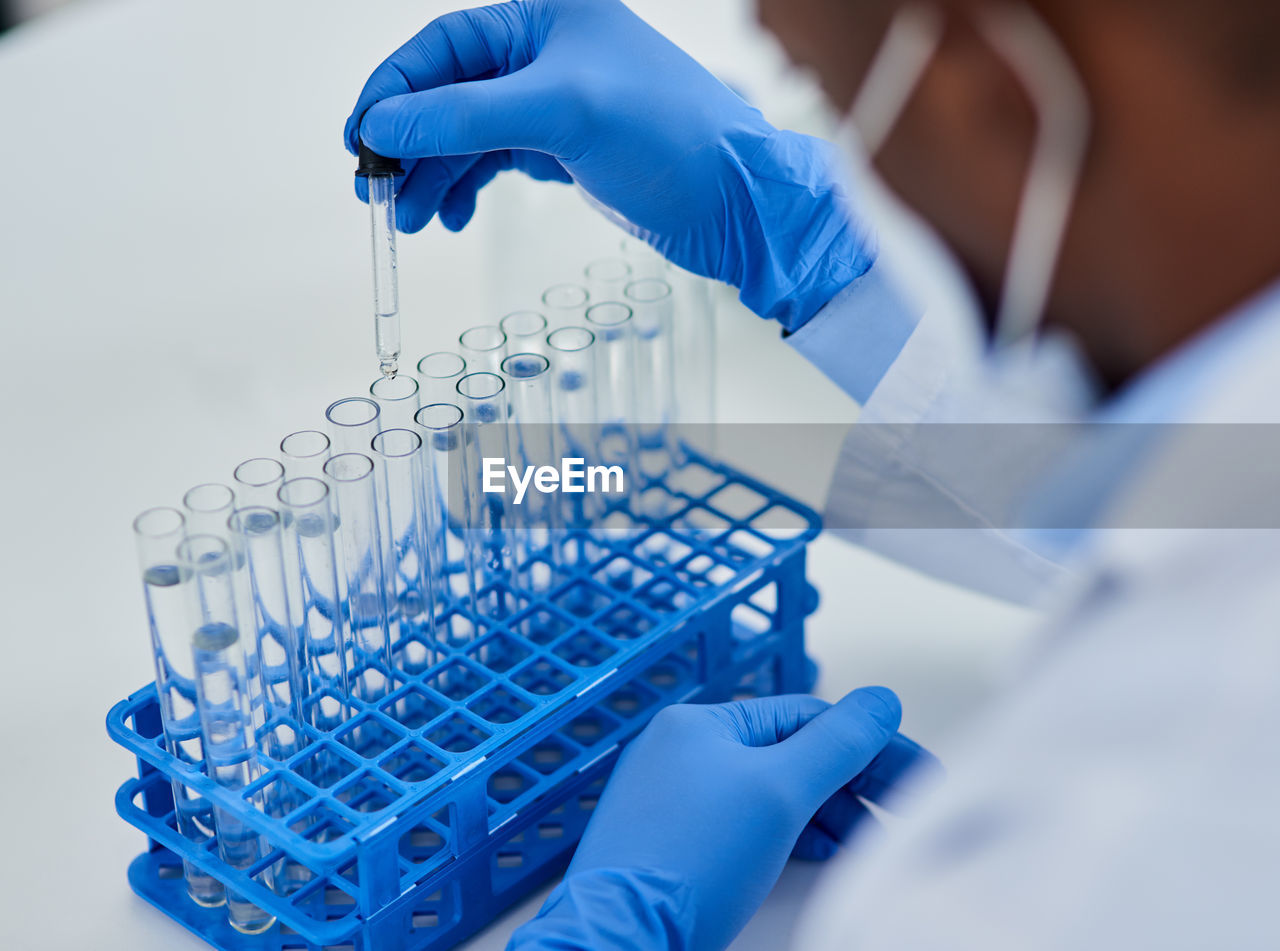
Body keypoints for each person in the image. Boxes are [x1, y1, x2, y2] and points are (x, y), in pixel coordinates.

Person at [345, 1, 1280, 947]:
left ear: (1001, 97)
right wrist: (800, 238)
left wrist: (617, 927)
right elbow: (1182, 489)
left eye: (835, 100)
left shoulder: (1099, 857)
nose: (852, 160)